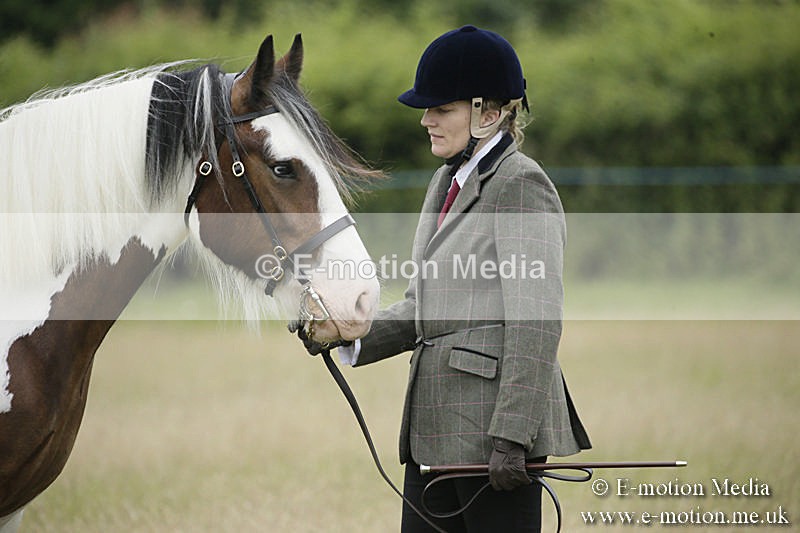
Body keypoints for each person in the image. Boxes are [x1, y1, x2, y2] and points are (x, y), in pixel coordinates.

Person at [296, 25, 591, 532]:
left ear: (490, 113)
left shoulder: (521, 183)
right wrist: (347, 332)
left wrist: (513, 436)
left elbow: (535, 319)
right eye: (426, 110)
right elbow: (422, 307)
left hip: (492, 441)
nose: (426, 121)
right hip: (434, 434)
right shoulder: (444, 181)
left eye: (442, 109)